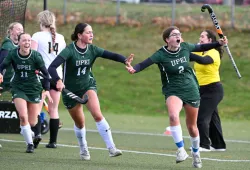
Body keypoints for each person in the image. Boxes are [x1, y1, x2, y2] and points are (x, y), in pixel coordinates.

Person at [125, 26, 228, 168]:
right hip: (172, 89)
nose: (178, 36)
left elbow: (201, 46)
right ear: (167, 39)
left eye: (179, 34)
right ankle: (180, 150)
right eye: (174, 34)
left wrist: (219, 44)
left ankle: (196, 154)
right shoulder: (161, 54)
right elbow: (144, 63)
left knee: (192, 126)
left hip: (190, 89)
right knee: (173, 116)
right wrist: (133, 69)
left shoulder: (185, 47)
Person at [48, 23, 133, 160]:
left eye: (92, 32)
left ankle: (111, 148)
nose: (91, 35)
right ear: (79, 35)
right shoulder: (69, 50)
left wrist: (124, 60)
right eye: (88, 32)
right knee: (80, 123)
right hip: (70, 91)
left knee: (97, 115)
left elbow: (110, 55)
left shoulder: (92, 49)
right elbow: (52, 67)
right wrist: (58, 80)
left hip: (87, 85)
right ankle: (83, 148)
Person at [0, 33, 52, 153]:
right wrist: (1, 73)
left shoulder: (36, 56)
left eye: (29, 40)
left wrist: (47, 89)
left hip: (34, 88)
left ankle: (28, 130)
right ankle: (29, 144)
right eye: (24, 40)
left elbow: (46, 74)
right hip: (18, 87)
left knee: (32, 121)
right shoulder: (13, 54)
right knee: (23, 116)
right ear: (19, 43)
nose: (27, 42)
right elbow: (3, 66)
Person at [31, 10, 66, 149]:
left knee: (37, 107)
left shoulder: (37, 36)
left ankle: (37, 135)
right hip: (57, 76)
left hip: (41, 76)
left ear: (41, 22)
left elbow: (32, 56)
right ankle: (53, 142)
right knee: (54, 109)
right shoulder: (61, 38)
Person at [189, 30, 226, 152]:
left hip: (213, 89)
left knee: (201, 117)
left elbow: (204, 61)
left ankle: (204, 145)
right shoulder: (200, 51)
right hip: (202, 89)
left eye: (202, 37)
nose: (200, 38)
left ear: (210, 40)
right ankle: (218, 145)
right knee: (213, 118)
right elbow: (186, 49)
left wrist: (190, 54)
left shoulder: (213, 52)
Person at [0, 22, 23, 92]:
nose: (21, 32)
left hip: (13, 81)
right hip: (4, 81)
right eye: (18, 29)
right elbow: (2, 62)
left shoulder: (20, 45)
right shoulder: (7, 46)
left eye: (22, 30)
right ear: (11, 31)